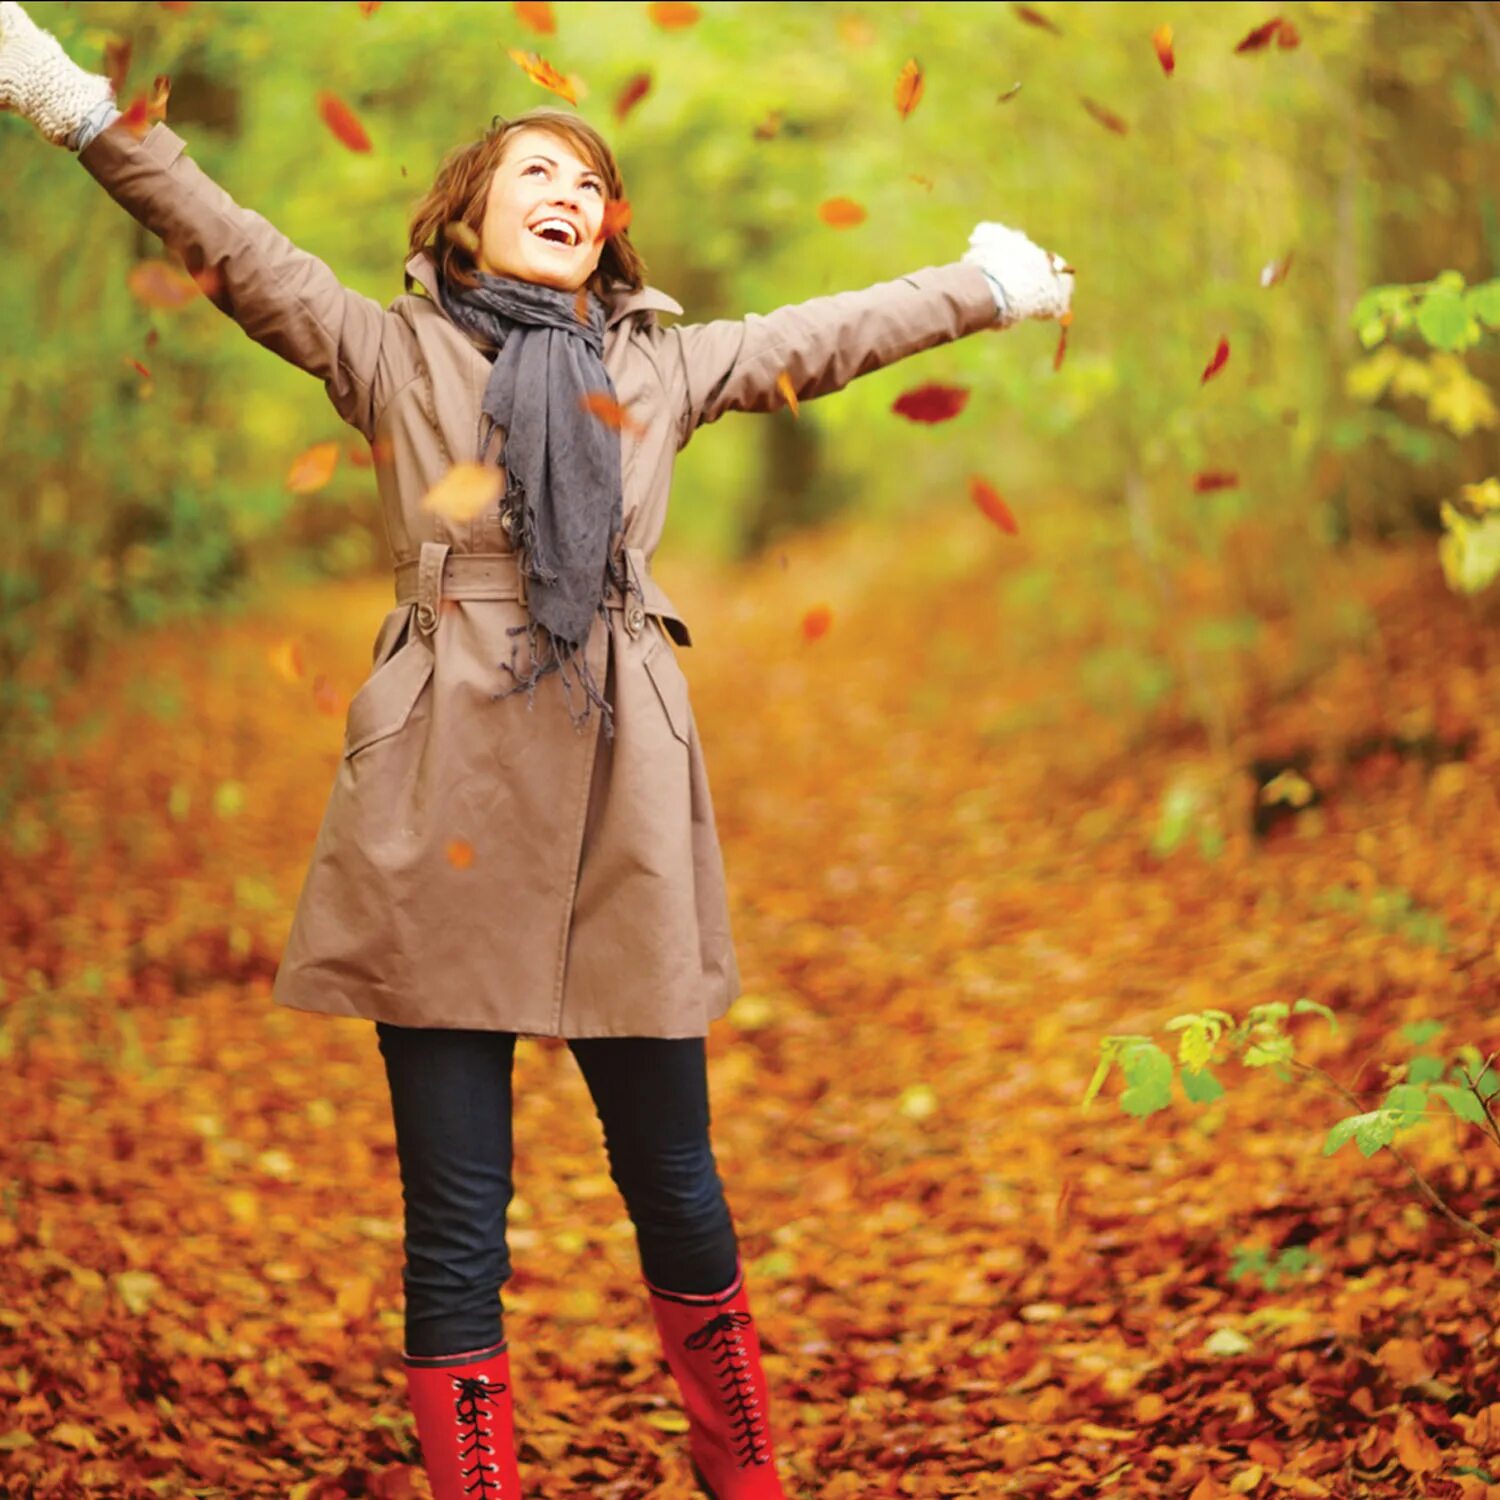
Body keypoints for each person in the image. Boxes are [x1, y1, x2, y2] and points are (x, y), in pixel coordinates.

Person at [0, 4, 1072, 1496]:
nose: (571, 195)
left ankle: (738, 1466)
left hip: (621, 780)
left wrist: (984, 285)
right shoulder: (386, 351)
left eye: (589, 181)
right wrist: (72, 106)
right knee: (457, 1214)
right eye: (535, 178)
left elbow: (826, 337)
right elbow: (224, 238)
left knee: (677, 1181)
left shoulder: (659, 365)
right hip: (440, 777)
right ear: (468, 218)